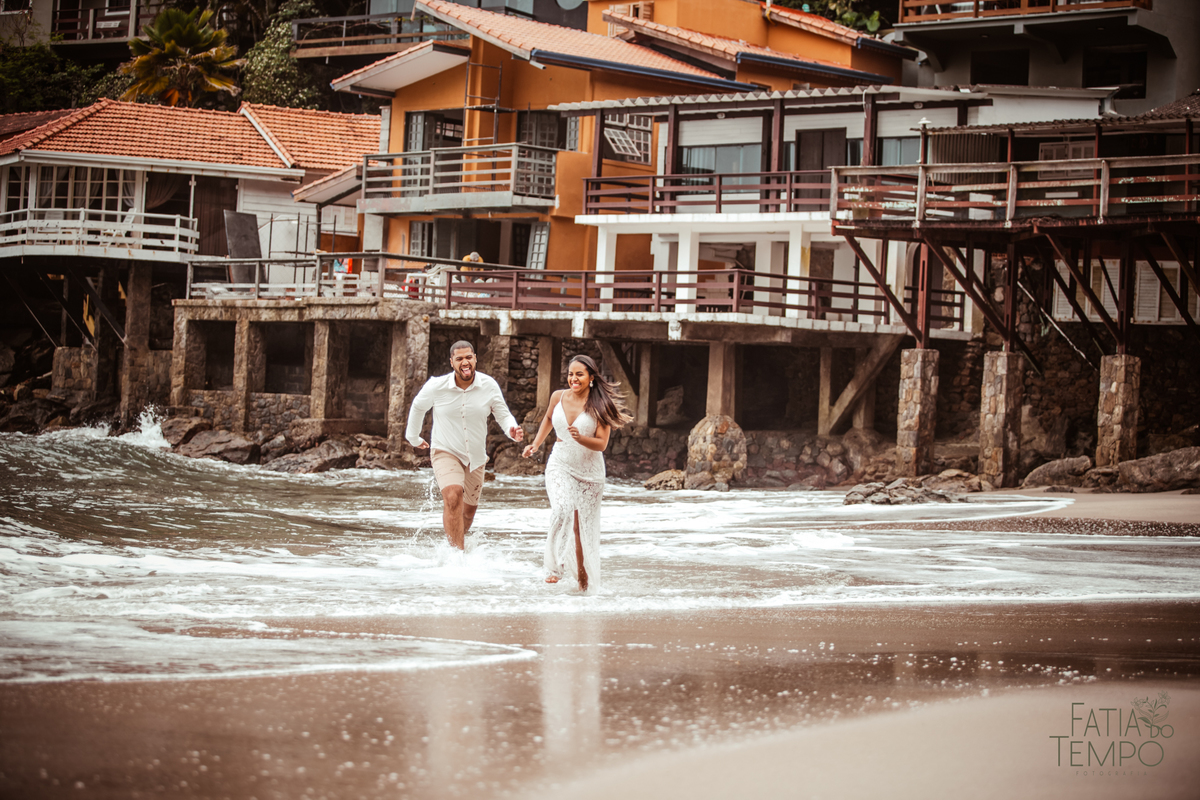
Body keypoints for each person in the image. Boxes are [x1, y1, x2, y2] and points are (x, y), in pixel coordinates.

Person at [522, 354, 632, 592]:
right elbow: (549, 418)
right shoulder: (557, 396)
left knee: (582, 530)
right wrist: (536, 444)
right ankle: (554, 566)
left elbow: (602, 444)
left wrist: (581, 438)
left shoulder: (601, 405)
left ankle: (584, 580)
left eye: (579, 374)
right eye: (571, 374)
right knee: (562, 510)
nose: (573, 378)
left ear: (591, 378)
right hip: (560, 464)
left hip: (590, 473)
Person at [406, 340, 524, 550]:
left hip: (476, 457)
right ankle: (456, 557)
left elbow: (503, 414)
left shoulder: (488, 385)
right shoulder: (436, 386)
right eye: (459, 359)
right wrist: (413, 438)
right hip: (445, 450)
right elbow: (417, 407)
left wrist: (512, 430)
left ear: (475, 359)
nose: (465, 362)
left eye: (468, 357)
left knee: (467, 514)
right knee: (453, 496)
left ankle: (454, 545)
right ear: (452, 362)